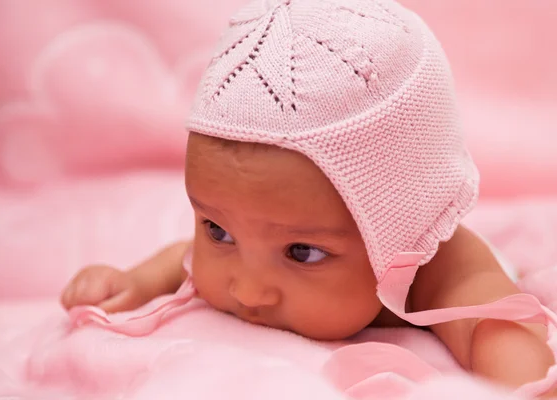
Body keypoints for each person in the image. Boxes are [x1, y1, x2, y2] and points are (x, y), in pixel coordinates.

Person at [61, 0, 557, 396]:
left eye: (303, 252)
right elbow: (183, 259)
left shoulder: (439, 267)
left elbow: (493, 323)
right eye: (219, 230)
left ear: (403, 229)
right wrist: (133, 280)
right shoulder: (262, 236)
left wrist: (521, 378)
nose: (249, 291)